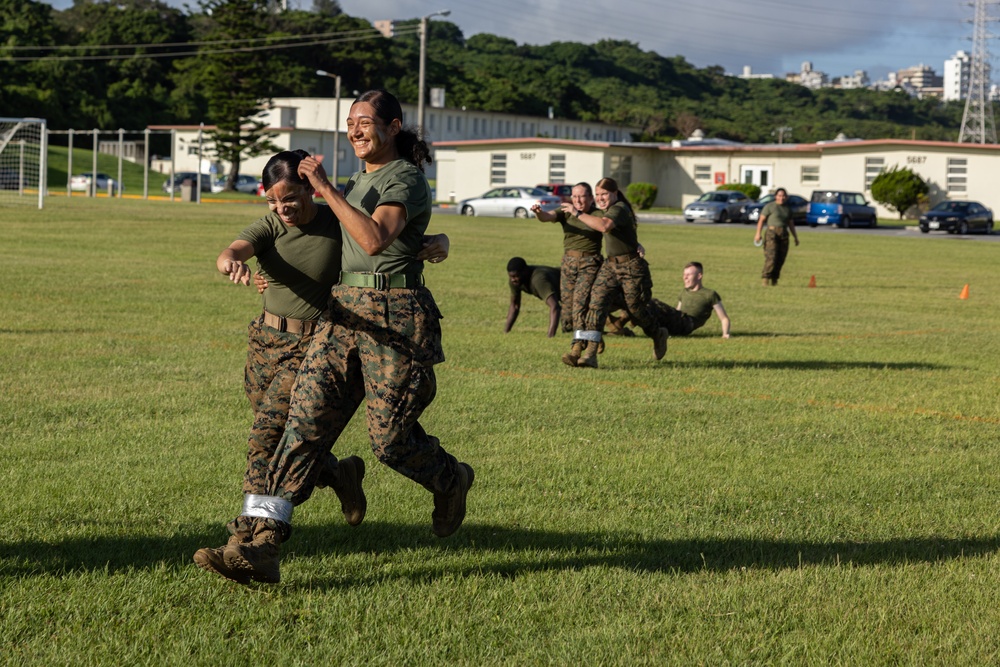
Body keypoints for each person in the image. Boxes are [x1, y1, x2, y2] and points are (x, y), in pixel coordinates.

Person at [199, 89, 473, 585]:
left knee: (389, 441)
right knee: (301, 425)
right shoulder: (353, 181)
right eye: (350, 122)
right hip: (342, 314)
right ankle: (261, 542)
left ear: (392, 126)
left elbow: (372, 239)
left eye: (365, 121)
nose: (355, 129)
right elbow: (295, 226)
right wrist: (261, 267)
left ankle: (450, 478)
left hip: (394, 319)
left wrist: (327, 187)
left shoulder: (404, 177)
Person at [573, 177, 668, 368]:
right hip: (611, 266)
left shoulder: (620, 208)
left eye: (604, 194)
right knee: (596, 304)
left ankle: (658, 333)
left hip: (632, 266)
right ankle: (590, 354)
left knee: (635, 309)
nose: (600, 198)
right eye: (598, 194)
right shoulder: (607, 209)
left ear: (615, 193)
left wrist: (576, 213)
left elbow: (604, 226)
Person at [530, 182, 604, 364]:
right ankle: (593, 337)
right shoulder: (566, 211)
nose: (577, 200)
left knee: (580, 304)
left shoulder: (597, 214)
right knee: (570, 308)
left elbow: (606, 228)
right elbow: (547, 217)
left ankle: (577, 347)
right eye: (575, 196)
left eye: (582, 197)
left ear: (590, 198)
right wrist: (539, 213)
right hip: (569, 264)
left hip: (590, 263)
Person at [647, 262, 731, 338]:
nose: (685, 277)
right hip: (678, 320)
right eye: (684, 274)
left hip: (687, 324)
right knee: (645, 303)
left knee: (652, 303)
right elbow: (676, 312)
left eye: (688, 275)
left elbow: (724, 318)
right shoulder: (684, 292)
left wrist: (725, 334)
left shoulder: (710, 294)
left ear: (699, 276)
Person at [753, 187, 799, 286]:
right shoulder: (769, 207)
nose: (781, 198)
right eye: (779, 195)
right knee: (771, 256)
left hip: (783, 234)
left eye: (783, 196)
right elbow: (761, 220)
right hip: (772, 233)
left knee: (781, 258)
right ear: (775, 196)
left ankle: (775, 279)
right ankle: (766, 278)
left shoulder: (787, 209)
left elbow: (791, 224)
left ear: (786, 197)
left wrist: (795, 237)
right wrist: (758, 234)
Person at [505, 257, 561, 337]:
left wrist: (550, 336)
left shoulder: (538, 279)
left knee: (571, 323)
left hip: (573, 286)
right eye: (511, 277)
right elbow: (515, 305)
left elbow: (555, 306)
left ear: (525, 272)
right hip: (564, 295)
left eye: (516, 276)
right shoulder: (515, 281)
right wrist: (506, 331)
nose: (513, 280)